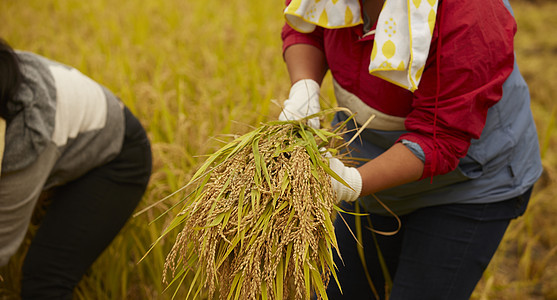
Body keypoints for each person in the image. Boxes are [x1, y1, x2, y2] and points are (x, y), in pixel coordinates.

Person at [278, 0, 542, 299]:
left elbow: (441, 135)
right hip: (366, 158)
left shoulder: (472, 11)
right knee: (339, 290)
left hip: (464, 185)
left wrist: (350, 183)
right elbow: (307, 24)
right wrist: (305, 86)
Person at [0, 39, 152, 299]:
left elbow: (2, 240)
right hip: (72, 138)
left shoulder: (29, 135)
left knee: (46, 277)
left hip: (119, 158)